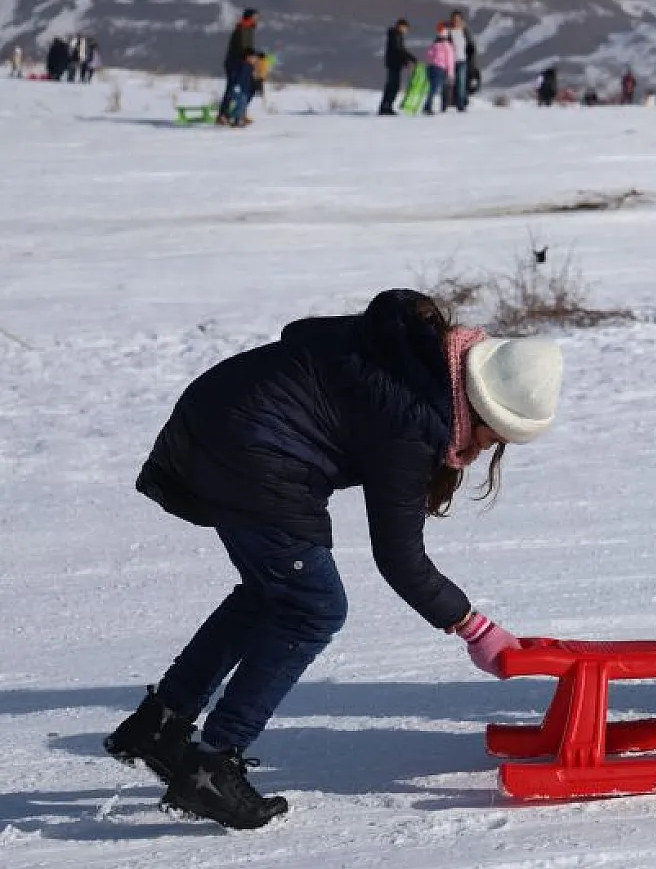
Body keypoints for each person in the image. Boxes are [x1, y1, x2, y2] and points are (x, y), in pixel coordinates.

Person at [105, 289, 563, 828]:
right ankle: (212, 764)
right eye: (497, 436)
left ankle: (160, 722)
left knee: (270, 592)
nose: (488, 449)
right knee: (314, 608)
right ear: (483, 407)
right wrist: (474, 627)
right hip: (251, 449)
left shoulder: (420, 363)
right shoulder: (416, 417)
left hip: (216, 422)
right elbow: (398, 556)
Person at [217, 9, 259, 125]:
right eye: (255, 17)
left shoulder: (249, 29)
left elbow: (248, 48)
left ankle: (239, 113)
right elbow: (242, 48)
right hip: (235, 63)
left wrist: (255, 55)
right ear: (250, 17)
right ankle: (224, 114)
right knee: (233, 89)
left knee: (247, 89)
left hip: (244, 63)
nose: (257, 19)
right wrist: (251, 55)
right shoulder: (243, 28)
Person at [378, 19, 415, 115]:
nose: (406, 31)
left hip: (395, 64)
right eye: (405, 28)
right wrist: (407, 61)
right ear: (401, 26)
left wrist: (411, 58)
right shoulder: (395, 35)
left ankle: (386, 106)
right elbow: (398, 51)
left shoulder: (397, 36)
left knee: (392, 86)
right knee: (393, 86)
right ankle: (386, 107)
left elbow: (401, 50)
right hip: (394, 64)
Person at [424, 24, 454, 115]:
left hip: (432, 67)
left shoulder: (435, 44)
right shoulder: (448, 46)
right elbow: (450, 60)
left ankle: (428, 105)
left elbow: (428, 55)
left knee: (432, 88)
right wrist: (450, 73)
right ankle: (437, 106)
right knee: (438, 88)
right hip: (441, 68)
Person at [223, 48, 259, 127]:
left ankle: (232, 117)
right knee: (240, 104)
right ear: (248, 57)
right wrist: (236, 85)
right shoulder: (243, 65)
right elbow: (237, 77)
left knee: (241, 105)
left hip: (245, 90)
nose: (254, 59)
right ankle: (234, 119)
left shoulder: (250, 67)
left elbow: (250, 79)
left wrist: (254, 85)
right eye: (253, 57)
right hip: (239, 89)